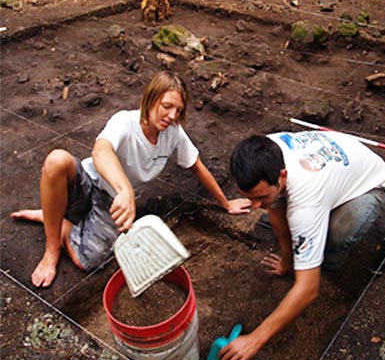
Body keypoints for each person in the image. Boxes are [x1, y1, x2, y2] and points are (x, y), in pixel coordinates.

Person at [11, 71, 251, 288]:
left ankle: (55, 218)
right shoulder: (124, 122)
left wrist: (225, 203)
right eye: (166, 106)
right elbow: (101, 150)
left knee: (88, 260)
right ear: (150, 99)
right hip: (88, 182)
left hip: (110, 202)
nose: (171, 116)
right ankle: (52, 248)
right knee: (56, 160)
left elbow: (196, 165)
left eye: (178, 111)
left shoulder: (173, 134)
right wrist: (125, 189)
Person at [220, 130, 385, 360]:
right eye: (249, 198)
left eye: (260, 197)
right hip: (333, 170)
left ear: (282, 176)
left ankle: (329, 263)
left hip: (370, 183)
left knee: (335, 236)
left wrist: (255, 339)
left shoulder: (306, 205)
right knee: (285, 212)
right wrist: (287, 259)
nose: (255, 205)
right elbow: (275, 206)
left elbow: (309, 289)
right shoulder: (267, 151)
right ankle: (309, 241)